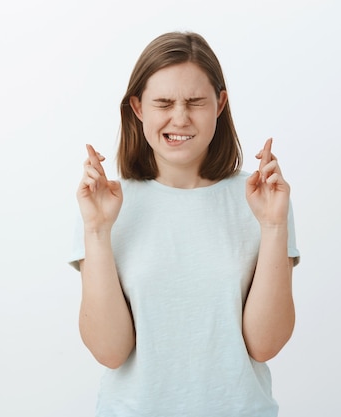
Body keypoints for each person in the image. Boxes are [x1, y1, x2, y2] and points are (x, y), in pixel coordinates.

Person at [69, 31, 300, 417]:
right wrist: (97, 230)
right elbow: (110, 351)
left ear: (220, 104)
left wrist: (274, 226)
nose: (180, 118)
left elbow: (265, 344)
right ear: (138, 107)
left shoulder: (261, 199)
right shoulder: (105, 204)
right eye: (163, 103)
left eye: (195, 102)